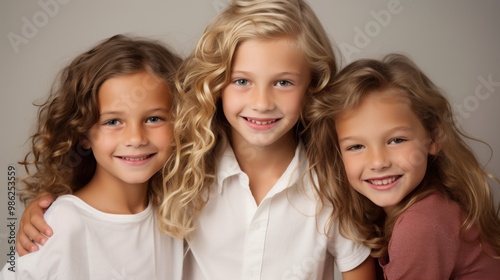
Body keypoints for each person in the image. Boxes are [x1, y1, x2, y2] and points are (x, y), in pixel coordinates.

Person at [15, 1, 375, 279]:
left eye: (283, 82)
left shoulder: (333, 182)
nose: (262, 103)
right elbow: (109, 209)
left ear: (313, 84)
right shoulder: (187, 170)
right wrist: (50, 219)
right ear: (215, 83)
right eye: (241, 81)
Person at [2, 34, 184, 279]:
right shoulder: (63, 224)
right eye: (112, 121)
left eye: (153, 119)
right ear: (83, 133)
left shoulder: (174, 214)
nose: (135, 138)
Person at [304, 53, 500, 279]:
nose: (378, 162)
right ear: (337, 155)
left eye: (396, 140)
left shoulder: (422, 224)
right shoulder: (400, 215)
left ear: (434, 138)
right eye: (356, 146)